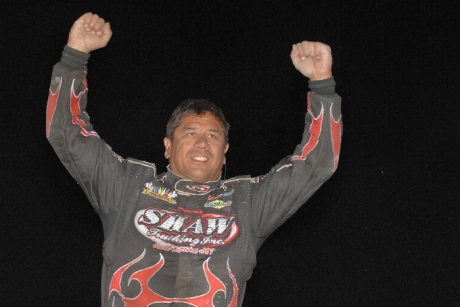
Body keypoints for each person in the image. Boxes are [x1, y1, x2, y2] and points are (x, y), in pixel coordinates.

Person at [46, 12, 342, 307]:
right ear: (167, 146)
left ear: (225, 150)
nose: (202, 143)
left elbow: (317, 164)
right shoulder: (127, 186)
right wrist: (75, 55)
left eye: (213, 136)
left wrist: (321, 83)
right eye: (190, 133)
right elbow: (65, 133)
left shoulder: (247, 203)